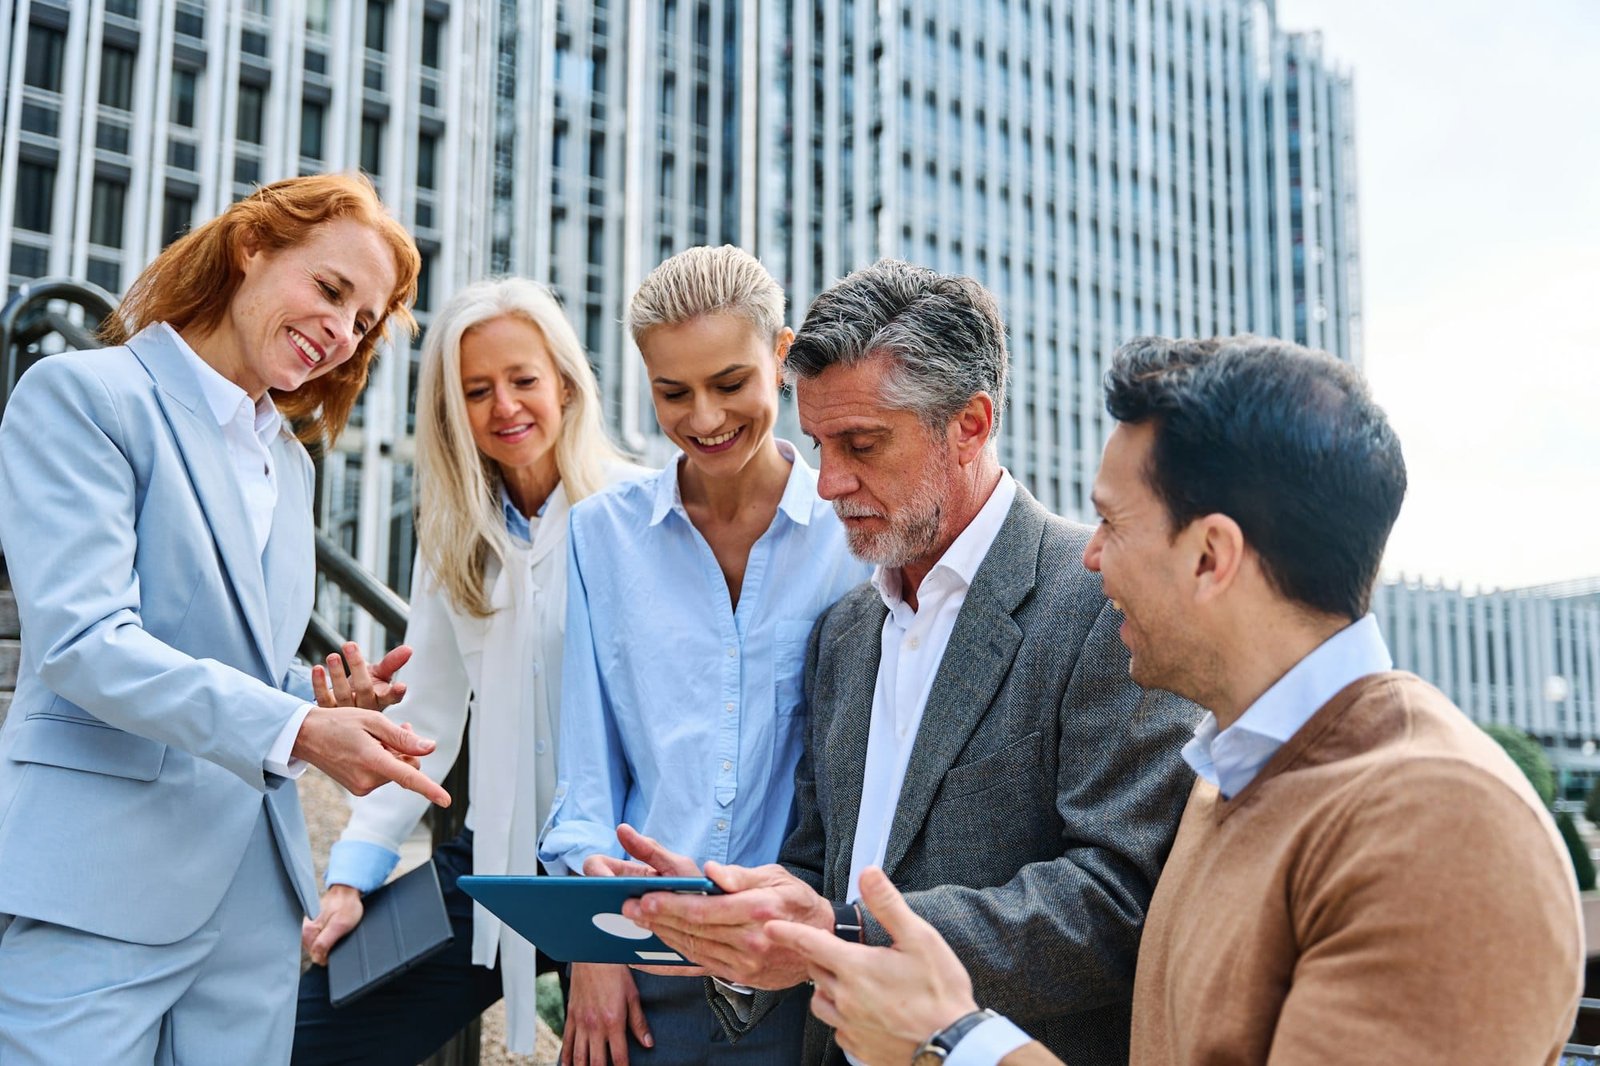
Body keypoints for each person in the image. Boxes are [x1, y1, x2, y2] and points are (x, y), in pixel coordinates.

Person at [762, 335, 1586, 1066]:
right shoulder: (1232, 778)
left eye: (1113, 525)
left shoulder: (1443, 826)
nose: (1088, 559)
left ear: (1210, 557)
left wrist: (950, 1041)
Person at [605, 260, 1198, 1066]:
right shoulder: (844, 633)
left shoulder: (1100, 604)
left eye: (861, 444)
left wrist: (850, 932)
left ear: (971, 424)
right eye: (817, 444)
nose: (831, 481)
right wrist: (744, 917)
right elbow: (816, 868)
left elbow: (1120, 898)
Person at [0, 173, 451, 1064]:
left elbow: (235, 662)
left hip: (252, 899)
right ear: (252, 248)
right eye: (330, 290)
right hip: (101, 881)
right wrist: (301, 727)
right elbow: (85, 645)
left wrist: (319, 697)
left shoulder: (290, 464)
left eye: (362, 323)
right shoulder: (84, 397)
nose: (340, 330)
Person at [292, 278, 644, 1062]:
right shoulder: (455, 536)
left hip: (619, 876)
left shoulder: (639, 515)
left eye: (523, 380)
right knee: (304, 1028)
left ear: (563, 380)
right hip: (495, 864)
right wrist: (353, 875)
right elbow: (424, 718)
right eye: (476, 390)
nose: (505, 407)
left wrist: (603, 938)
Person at [536, 245, 871, 1066]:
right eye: (672, 391)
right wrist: (593, 948)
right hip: (640, 960)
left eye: (730, 383)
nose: (705, 417)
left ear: (783, 357)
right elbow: (587, 773)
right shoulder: (601, 537)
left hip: (798, 969)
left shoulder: (855, 536)